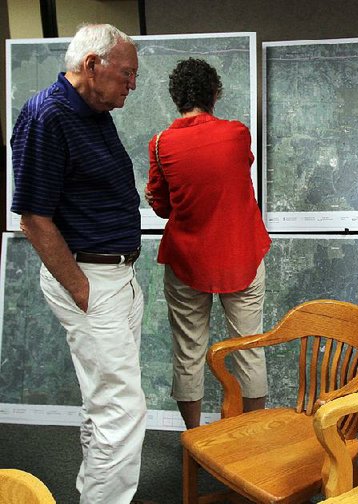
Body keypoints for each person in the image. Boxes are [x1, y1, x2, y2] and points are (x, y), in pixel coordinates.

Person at [10, 24, 148, 503]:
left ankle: (94, 493)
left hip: (116, 276)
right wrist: (82, 288)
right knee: (123, 410)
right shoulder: (46, 115)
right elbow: (34, 218)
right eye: (127, 75)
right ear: (92, 66)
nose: (131, 87)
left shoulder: (93, 109)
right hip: (91, 279)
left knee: (105, 403)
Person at [146, 58, 271, 430]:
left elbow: (160, 205)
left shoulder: (160, 145)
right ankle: (251, 439)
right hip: (241, 255)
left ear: (175, 97)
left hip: (188, 260)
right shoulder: (237, 133)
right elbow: (238, 172)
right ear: (215, 93)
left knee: (189, 351)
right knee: (249, 348)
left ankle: (195, 439)